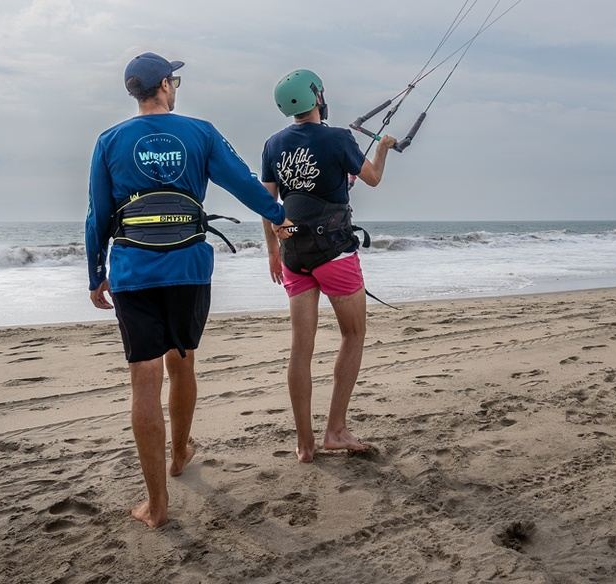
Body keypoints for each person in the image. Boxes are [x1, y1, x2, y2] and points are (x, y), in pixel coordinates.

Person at [85, 52, 285, 528]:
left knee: (144, 380)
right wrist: (280, 219)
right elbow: (245, 184)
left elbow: (97, 213)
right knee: (184, 360)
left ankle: (156, 506)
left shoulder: (110, 140)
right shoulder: (200, 131)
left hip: (134, 270)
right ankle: (179, 455)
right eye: (174, 80)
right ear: (165, 87)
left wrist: (96, 273)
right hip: (190, 269)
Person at [260, 69, 394, 462]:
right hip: (334, 252)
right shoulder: (338, 138)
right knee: (352, 336)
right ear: (317, 96)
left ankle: (305, 445)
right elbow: (371, 178)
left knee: (300, 349)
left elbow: (268, 204)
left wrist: (272, 252)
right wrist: (383, 146)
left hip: (294, 256)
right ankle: (334, 430)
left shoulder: (273, 144)